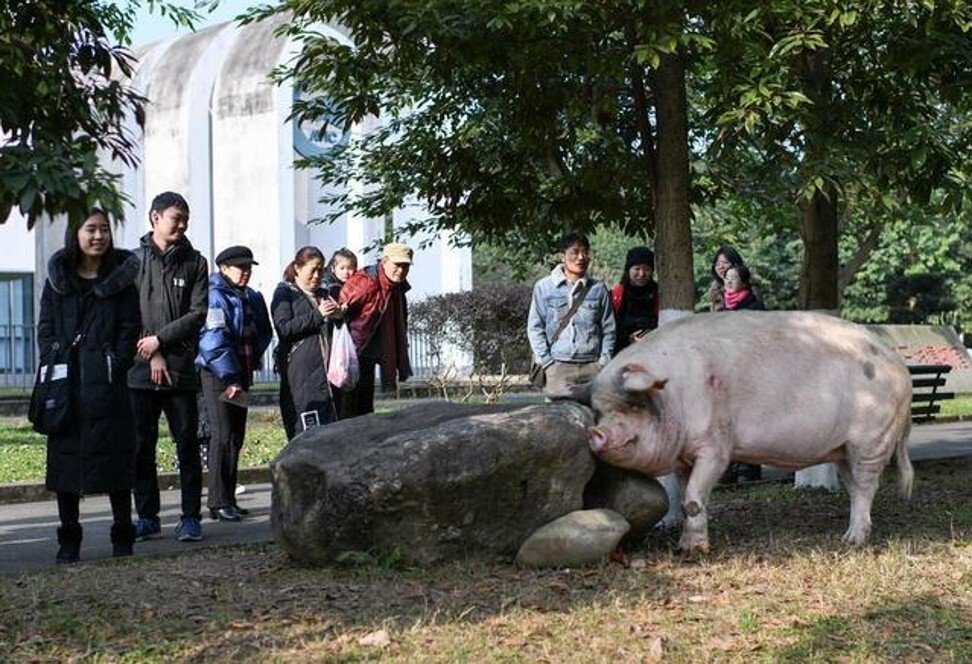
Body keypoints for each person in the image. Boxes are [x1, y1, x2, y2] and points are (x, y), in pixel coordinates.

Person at [37, 210, 142, 563]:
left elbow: (130, 329)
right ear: (75, 233)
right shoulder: (58, 281)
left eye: (105, 229)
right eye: (91, 229)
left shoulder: (121, 282)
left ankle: (122, 536)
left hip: (109, 390)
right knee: (66, 470)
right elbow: (46, 328)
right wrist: (56, 359)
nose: (98, 236)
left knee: (116, 467)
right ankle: (68, 541)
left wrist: (113, 362)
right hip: (67, 391)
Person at [128, 191, 208, 543]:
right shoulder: (132, 262)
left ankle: (190, 517)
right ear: (155, 218)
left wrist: (161, 342)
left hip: (181, 371)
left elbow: (198, 313)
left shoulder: (196, 262)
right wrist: (151, 350)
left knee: (187, 445)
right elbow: (127, 315)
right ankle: (147, 516)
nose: (182, 224)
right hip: (140, 371)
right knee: (140, 445)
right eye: (176, 217)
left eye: (186, 219)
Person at [195, 246, 272, 522]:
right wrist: (230, 376)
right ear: (224, 269)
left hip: (241, 373)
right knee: (222, 436)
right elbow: (212, 339)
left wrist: (252, 360)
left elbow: (263, 331)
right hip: (220, 375)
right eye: (241, 267)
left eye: (249, 267)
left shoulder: (249, 295)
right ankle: (218, 502)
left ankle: (229, 499)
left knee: (235, 438)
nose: (246, 272)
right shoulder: (215, 295)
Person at [527, 233, 615, 395]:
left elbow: (609, 328)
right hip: (558, 367)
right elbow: (535, 327)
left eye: (585, 252)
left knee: (593, 417)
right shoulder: (544, 287)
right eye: (575, 252)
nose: (581, 257)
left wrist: (603, 362)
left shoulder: (598, 289)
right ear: (562, 256)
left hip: (592, 367)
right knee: (557, 418)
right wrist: (547, 363)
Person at [271, 246, 342, 438]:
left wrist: (338, 316)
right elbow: (284, 328)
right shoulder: (285, 293)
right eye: (313, 270)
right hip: (302, 377)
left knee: (330, 432)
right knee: (307, 433)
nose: (317, 275)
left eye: (321, 270)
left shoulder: (324, 294)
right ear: (297, 268)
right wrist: (318, 315)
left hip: (328, 375)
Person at [339, 242, 414, 417]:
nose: (401, 270)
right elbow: (341, 307)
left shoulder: (397, 288)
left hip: (371, 353)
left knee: (365, 407)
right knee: (348, 408)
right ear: (384, 261)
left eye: (406, 266)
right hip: (352, 353)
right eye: (397, 265)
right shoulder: (367, 281)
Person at [323, 248, 358, 419]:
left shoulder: (353, 287)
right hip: (332, 342)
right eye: (342, 268)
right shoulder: (330, 287)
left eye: (350, 268)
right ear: (333, 268)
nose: (347, 272)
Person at [610, 245, 659, 356]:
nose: (642, 274)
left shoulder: (658, 294)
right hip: (621, 354)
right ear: (628, 270)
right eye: (637, 269)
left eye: (646, 269)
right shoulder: (617, 294)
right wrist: (628, 339)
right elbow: (609, 328)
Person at [707, 245, 747, 312]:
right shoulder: (715, 289)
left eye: (725, 262)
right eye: (717, 264)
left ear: (736, 264)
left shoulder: (750, 283)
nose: (720, 267)